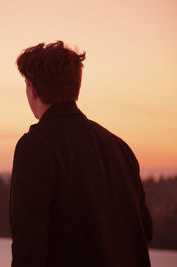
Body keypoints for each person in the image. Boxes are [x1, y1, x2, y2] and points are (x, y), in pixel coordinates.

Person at [9, 41, 153, 267]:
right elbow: (144, 230)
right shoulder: (120, 148)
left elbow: (29, 247)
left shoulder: (35, 146)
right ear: (75, 86)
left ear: (32, 88)